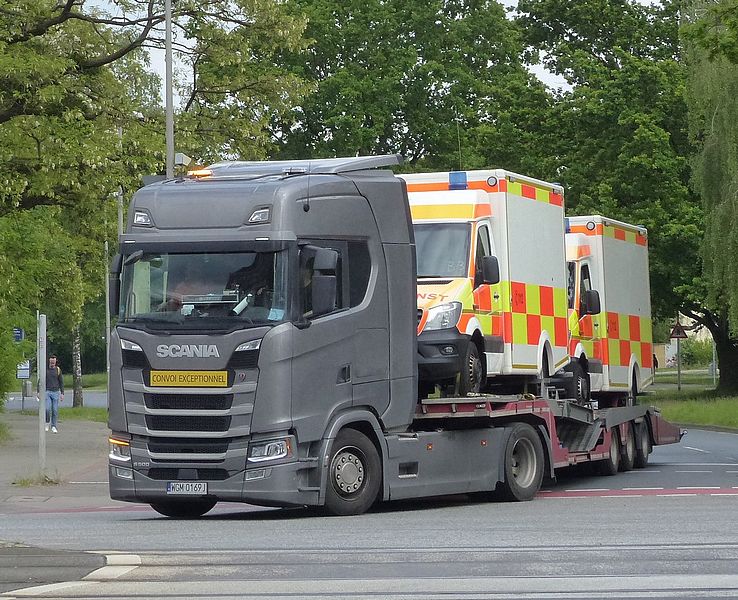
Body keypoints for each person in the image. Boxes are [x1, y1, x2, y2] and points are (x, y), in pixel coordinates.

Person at [40, 355, 64, 433]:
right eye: (51, 360)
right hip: (47, 391)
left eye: (54, 361)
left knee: (55, 410)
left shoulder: (58, 370)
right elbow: (40, 381)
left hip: (56, 392)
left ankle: (53, 426)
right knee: (47, 409)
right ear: (49, 361)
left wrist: (62, 393)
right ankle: (47, 423)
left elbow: (61, 382)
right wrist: (38, 391)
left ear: (55, 361)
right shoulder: (45, 370)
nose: (53, 362)